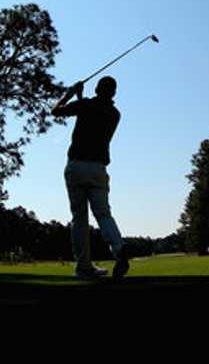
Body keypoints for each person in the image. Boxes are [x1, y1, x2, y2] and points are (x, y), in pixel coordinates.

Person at [51, 76, 130, 280]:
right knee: (103, 214)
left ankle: (84, 267)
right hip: (98, 168)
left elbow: (56, 111)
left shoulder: (85, 105)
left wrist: (69, 94)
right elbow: (92, 114)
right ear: (113, 93)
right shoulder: (114, 114)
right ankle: (119, 248)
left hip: (76, 165)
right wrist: (80, 97)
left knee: (79, 218)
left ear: (96, 88)